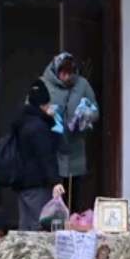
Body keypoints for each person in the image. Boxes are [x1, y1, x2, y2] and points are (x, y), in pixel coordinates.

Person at [41, 52, 99, 204]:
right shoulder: (44, 84)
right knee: (52, 200)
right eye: (63, 73)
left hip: (75, 150)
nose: (66, 77)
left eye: (70, 73)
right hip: (52, 150)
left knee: (73, 198)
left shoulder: (82, 85)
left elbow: (95, 111)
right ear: (56, 70)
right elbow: (31, 109)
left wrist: (86, 115)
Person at [4, 80, 60, 232]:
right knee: (39, 226)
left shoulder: (21, 121)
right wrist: (55, 181)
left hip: (22, 184)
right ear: (42, 105)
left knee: (25, 226)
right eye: (47, 104)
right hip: (37, 184)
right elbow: (46, 155)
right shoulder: (38, 126)